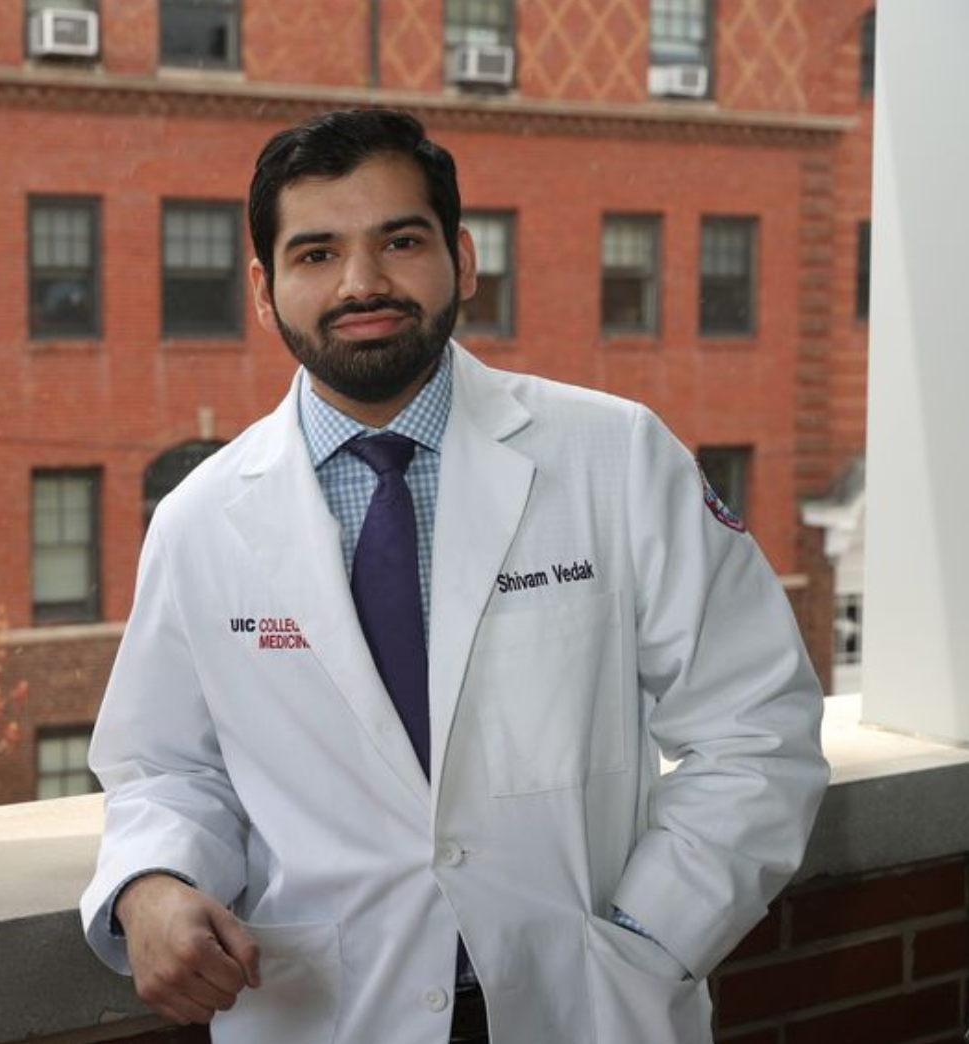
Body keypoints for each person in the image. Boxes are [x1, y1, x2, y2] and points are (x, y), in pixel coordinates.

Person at [80, 108, 828, 1044]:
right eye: (316, 254)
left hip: (587, 1000)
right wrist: (152, 881)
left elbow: (758, 727)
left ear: (463, 262)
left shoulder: (617, 457)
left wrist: (651, 936)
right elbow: (164, 766)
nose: (363, 283)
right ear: (266, 293)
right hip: (328, 1009)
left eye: (400, 240)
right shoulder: (200, 518)